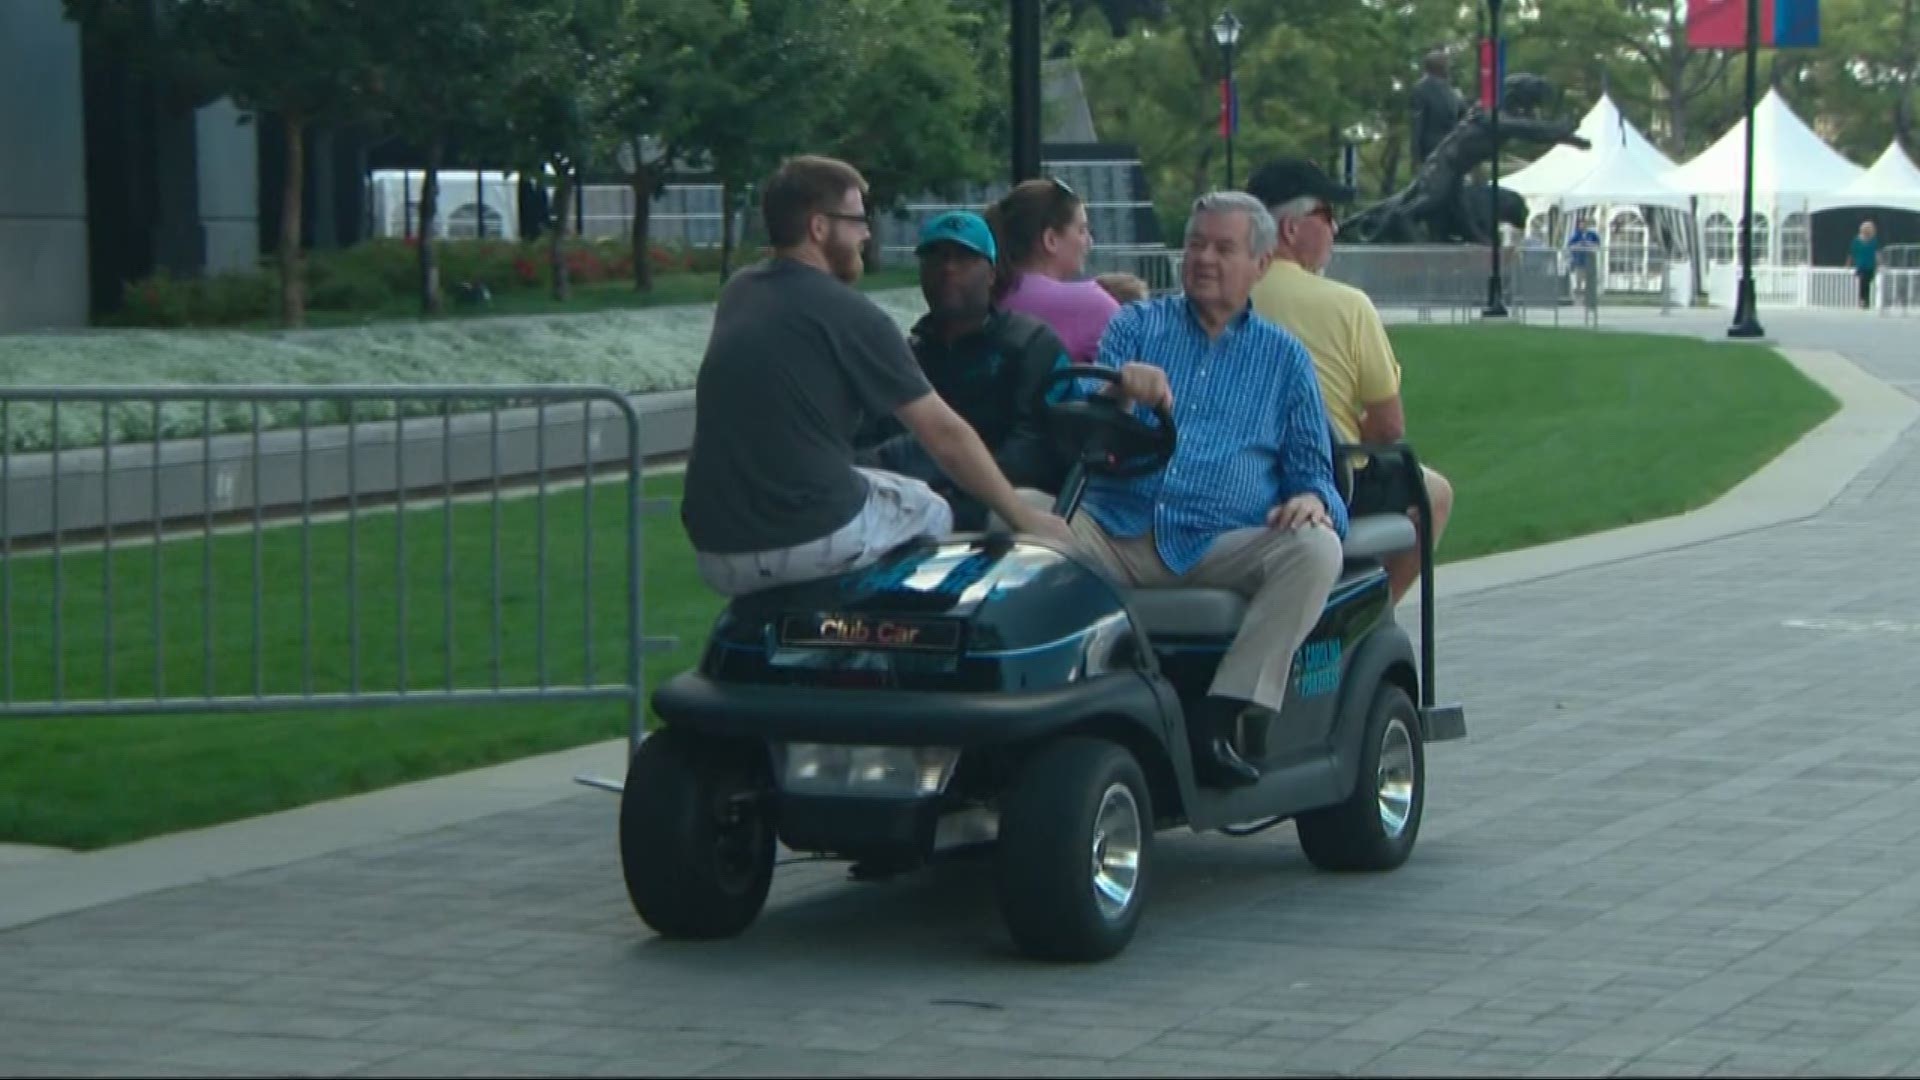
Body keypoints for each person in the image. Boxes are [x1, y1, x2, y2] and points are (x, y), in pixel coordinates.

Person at [679, 155, 1072, 597]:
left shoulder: (740, 291)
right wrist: (1026, 517)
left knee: (886, 488)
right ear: (819, 228)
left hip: (714, 543)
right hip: (800, 536)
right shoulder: (850, 315)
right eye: (858, 221)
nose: (867, 234)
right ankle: (899, 641)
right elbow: (944, 435)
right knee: (931, 509)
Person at [1065, 191, 1346, 789]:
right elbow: (1078, 423)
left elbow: (1313, 471)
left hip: (1220, 543)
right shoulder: (1136, 325)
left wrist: (1314, 500)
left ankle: (1220, 718)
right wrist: (1119, 392)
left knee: (1317, 547)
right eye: (1195, 245)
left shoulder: (1284, 359)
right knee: (1022, 522)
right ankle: (1034, 701)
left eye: (1223, 248)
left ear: (1261, 264)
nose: (1204, 260)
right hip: (1118, 528)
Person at [1246, 156, 1455, 608]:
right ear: (1291, 229)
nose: (1336, 228)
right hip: (1330, 484)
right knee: (1434, 492)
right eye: (1326, 215)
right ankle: (1374, 614)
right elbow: (1388, 427)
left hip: (1240, 476)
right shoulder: (1347, 305)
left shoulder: (1223, 300)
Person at [854, 210, 1077, 530]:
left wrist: (957, 486)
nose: (948, 269)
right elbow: (866, 444)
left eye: (964, 258)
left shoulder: (1032, 344)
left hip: (1008, 507)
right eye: (936, 258)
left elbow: (1037, 450)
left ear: (991, 273)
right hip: (908, 507)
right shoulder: (904, 355)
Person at [985, 177, 1121, 364]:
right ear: (1051, 240)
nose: (1089, 242)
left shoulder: (985, 294)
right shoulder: (1091, 304)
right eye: (1081, 230)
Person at [1410, 49, 1465, 169]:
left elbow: (1460, 116)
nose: (1449, 67)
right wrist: (1416, 158)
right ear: (1439, 67)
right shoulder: (1422, 89)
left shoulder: (1450, 89)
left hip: (1452, 149)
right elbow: (1417, 124)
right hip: (1433, 151)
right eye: (1446, 63)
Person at [1852, 220, 1880, 310]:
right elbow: (1852, 252)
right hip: (1861, 265)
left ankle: (1866, 301)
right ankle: (1862, 300)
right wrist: (1848, 264)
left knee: (1867, 283)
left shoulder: (1874, 241)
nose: (1867, 230)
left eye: (1869, 228)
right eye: (1866, 228)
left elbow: (1877, 253)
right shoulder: (1856, 240)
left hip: (1870, 265)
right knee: (1862, 282)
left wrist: (1879, 264)